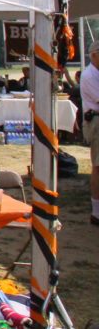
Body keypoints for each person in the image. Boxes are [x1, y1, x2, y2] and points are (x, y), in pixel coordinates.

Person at [80, 39, 99, 226]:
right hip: (96, 121)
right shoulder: (89, 75)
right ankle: (96, 211)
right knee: (98, 167)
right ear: (94, 55)